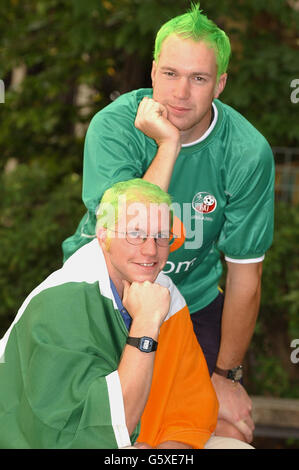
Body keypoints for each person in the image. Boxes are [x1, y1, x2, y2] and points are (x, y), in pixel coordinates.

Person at [62, 4, 275, 443]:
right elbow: (131, 229)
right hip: (103, 296)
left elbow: (245, 274)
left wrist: (226, 374)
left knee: (228, 426)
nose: (181, 93)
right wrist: (168, 144)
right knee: (108, 429)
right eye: (171, 74)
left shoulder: (246, 151)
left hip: (190, 305)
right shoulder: (115, 127)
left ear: (220, 84)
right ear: (153, 72)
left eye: (198, 78)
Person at [0, 179, 254, 449]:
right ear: (103, 235)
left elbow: (188, 413)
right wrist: (145, 324)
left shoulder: (164, 294)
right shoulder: (62, 301)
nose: (150, 250)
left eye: (161, 236)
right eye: (135, 234)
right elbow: (76, 433)